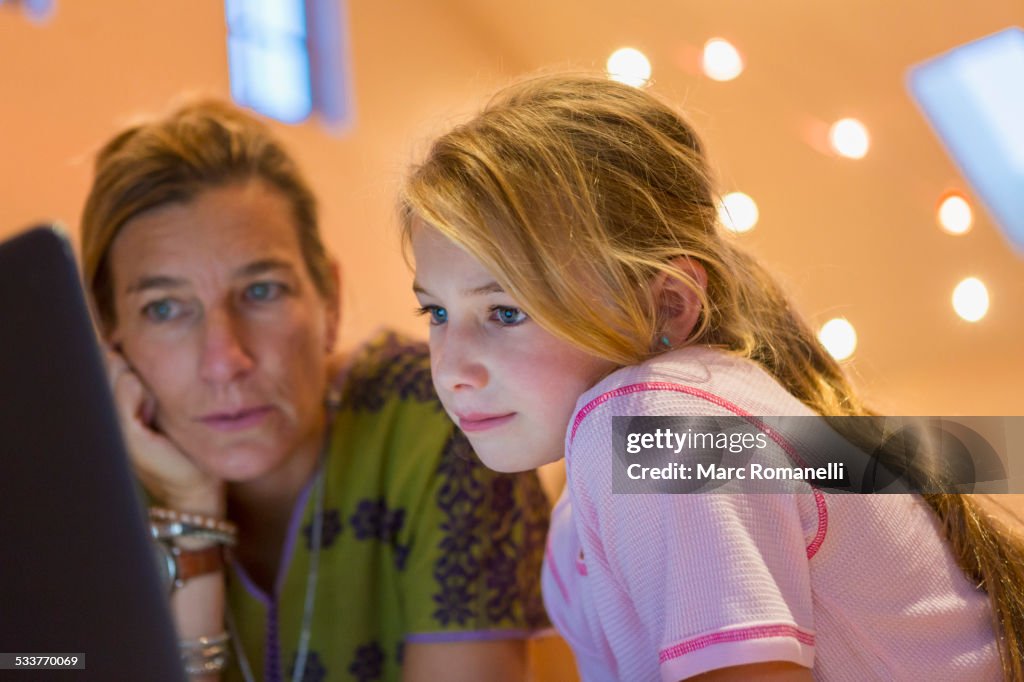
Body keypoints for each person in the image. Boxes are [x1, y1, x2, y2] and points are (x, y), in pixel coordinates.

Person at [400, 74, 1024, 680]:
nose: (452, 368)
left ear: (667, 305)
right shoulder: (651, 456)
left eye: (506, 312)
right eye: (437, 312)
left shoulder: (653, 426)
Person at [79, 99, 550, 682]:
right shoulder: (76, 503)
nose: (226, 361)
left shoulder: (443, 423)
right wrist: (190, 522)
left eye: (261, 292)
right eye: (166, 308)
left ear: (327, 299)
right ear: (108, 336)